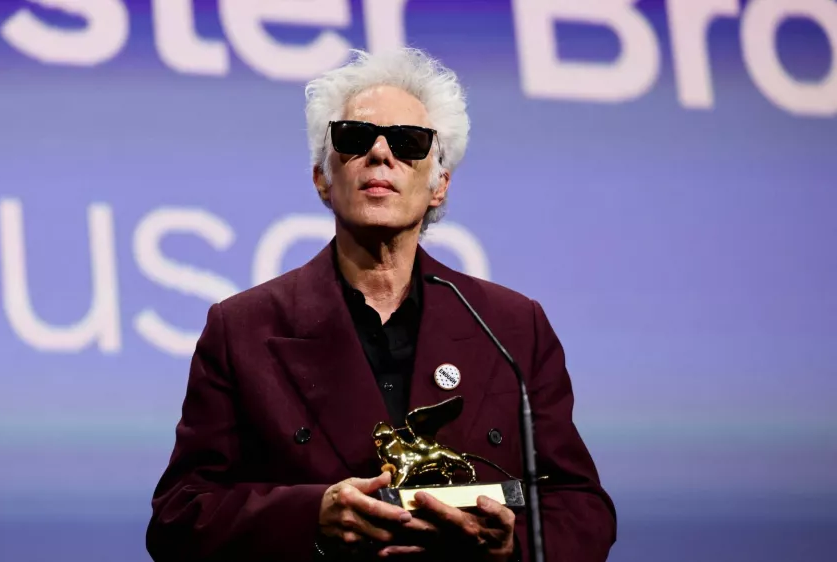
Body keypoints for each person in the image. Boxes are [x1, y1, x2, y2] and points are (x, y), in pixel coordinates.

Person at [145, 47, 616, 562]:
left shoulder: (512, 327)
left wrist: (512, 548)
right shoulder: (242, 330)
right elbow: (178, 517)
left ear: (439, 185)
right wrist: (312, 518)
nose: (380, 154)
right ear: (322, 178)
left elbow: (581, 506)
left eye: (408, 141)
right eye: (354, 137)